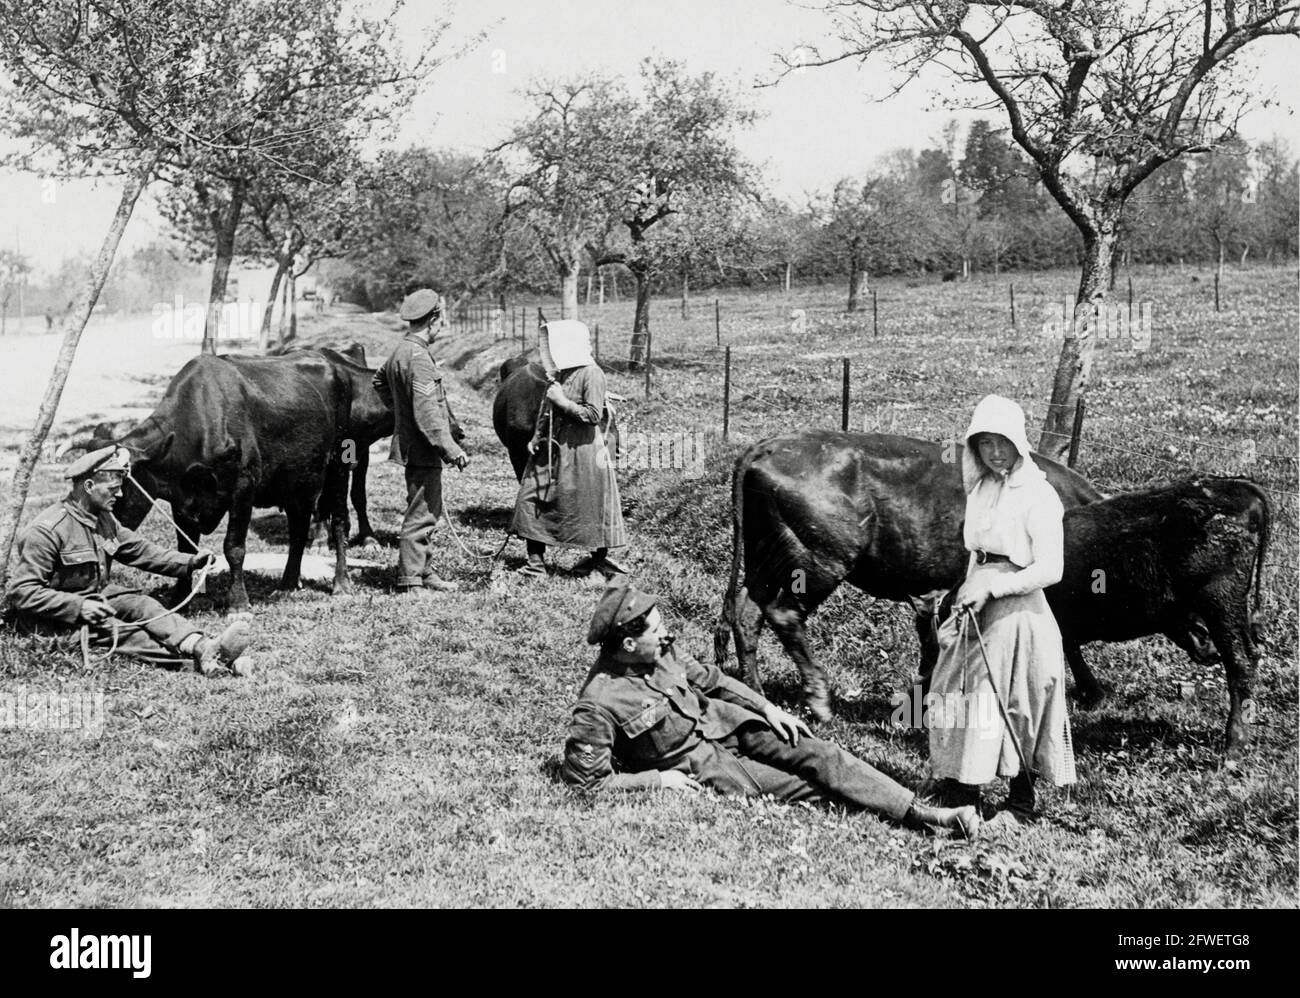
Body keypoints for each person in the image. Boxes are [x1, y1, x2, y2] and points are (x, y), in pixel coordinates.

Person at [561, 579, 979, 837]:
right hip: (704, 764)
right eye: (657, 631)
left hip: (731, 726)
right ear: (629, 644)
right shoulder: (598, 704)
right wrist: (658, 781)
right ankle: (915, 819)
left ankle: (924, 812)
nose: (667, 636)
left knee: (820, 752)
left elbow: (715, 680)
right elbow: (588, 784)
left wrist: (767, 709)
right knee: (808, 789)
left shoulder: (661, 653)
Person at [927, 394, 1077, 822]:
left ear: (1019, 442)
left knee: (1017, 698)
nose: (994, 453)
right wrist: (967, 588)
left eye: (1002, 443)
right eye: (985, 443)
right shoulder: (982, 489)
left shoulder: (1039, 494)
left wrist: (996, 589)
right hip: (978, 601)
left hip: (1018, 610)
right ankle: (963, 788)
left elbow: (1052, 568)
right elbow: (978, 551)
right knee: (960, 693)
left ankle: (1020, 804)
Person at [5, 445, 254, 676]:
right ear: (89, 486)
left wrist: (190, 562)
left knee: (144, 605)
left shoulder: (102, 518)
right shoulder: (47, 530)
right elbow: (22, 592)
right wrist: (78, 607)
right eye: (113, 489)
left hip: (97, 596)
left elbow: (139, 550)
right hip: (55, 618)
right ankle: (201, 663)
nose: (121, 494)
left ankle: (201, 645)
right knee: (122, 630)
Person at [511, 319, 626, 579]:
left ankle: (597, 560)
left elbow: (593, 415)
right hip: (551, 448)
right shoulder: (561, 373)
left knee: (591, 503)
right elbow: (546, 408)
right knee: (531, 498)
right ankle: (535, 564)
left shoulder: (592, 373)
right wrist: (537, 436)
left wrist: (562, 401)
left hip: (581, 451)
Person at [372, 288, 469, 596]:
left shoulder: (402, 351)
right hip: (424, 448)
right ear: (435, 319)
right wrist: (452, 450)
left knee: (426, 509)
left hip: (414, 444)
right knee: (422, 514)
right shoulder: (419, 359)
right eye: (443, 319)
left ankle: (424, 572)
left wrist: (401, 411)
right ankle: (411, 581)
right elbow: (427, 414)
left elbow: (379, 382)